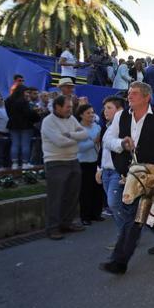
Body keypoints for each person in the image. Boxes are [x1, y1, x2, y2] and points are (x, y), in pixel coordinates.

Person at [99, 81, 154, 275]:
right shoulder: (121, 116)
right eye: (129, 93)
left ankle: (119, 261)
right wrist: (122, 143)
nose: (130, 96)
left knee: (134, 216)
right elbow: (107, 140)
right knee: (141, 214)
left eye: (134, 93)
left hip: (151, 177)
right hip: (130, 176)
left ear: (146, 97)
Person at [41, 95, 88, 240]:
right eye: (68, 107)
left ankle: (67, 223)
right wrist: (76, 137)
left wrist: (69, 135)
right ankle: (53, 228)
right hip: (55, 162)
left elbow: (85, 134)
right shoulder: (48, 122)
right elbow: (59, 142)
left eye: (71, 107)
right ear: (57, 107)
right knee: (56, 197)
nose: (70, 109)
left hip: (73, 160)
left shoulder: (71, 119)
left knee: (72, 195)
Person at [96, 96, 127, 235]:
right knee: (114, 204)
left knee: (114, 203)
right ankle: (125, 234)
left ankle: (128, 234)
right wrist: (99, 169)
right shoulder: (106, 127)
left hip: (117, 172)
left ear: (119, 110)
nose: (105, 111)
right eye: (104, 108)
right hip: (106, 171)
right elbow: (103, 151)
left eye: (109, 108)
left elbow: (124, 149)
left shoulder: (126, 126)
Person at [76, 104, 104, 226]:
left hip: (96, 163)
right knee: (85, 191)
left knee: (97, 189)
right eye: (88, 113)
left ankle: (96, 214)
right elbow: (79, 148)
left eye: (92, 112)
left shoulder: (97, 127)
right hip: (83, 163)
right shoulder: (78, 129)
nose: (91, 115)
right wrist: (94, 141)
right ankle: (85, 216)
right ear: (81, 114)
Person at [5, 85, 40, 169]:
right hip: (26, 126)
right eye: (27, 92)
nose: (28, 94)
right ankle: (25, 163)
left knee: (15, 144)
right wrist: (36, 113)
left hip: (13, 125)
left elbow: (8, 114)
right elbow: (28, 114)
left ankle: (14, 163)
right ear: (22, 91)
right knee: (25, 145)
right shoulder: (24, 102)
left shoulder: (8, 100)